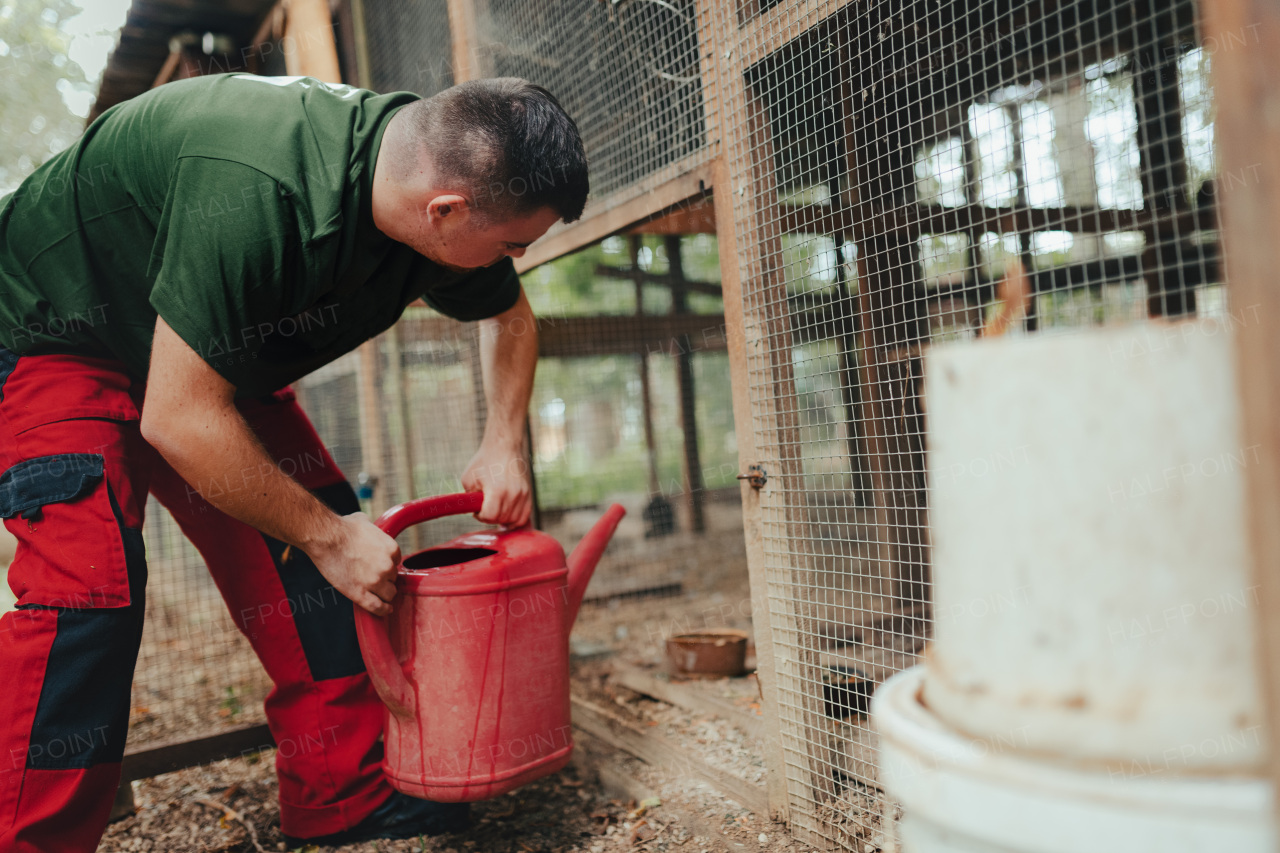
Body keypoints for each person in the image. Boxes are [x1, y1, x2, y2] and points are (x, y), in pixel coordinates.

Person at [0, 71, 588, 851]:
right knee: (90, 592)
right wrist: (331, 534)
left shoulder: (438, 203)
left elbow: (510, 319)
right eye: (512, 244)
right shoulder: (261, 191)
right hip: (54, 330)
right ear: (445, 210)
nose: (511, 260)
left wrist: (505, 438)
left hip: (207, 349)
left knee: (327, 565)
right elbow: (178, 418)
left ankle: (342, 794)